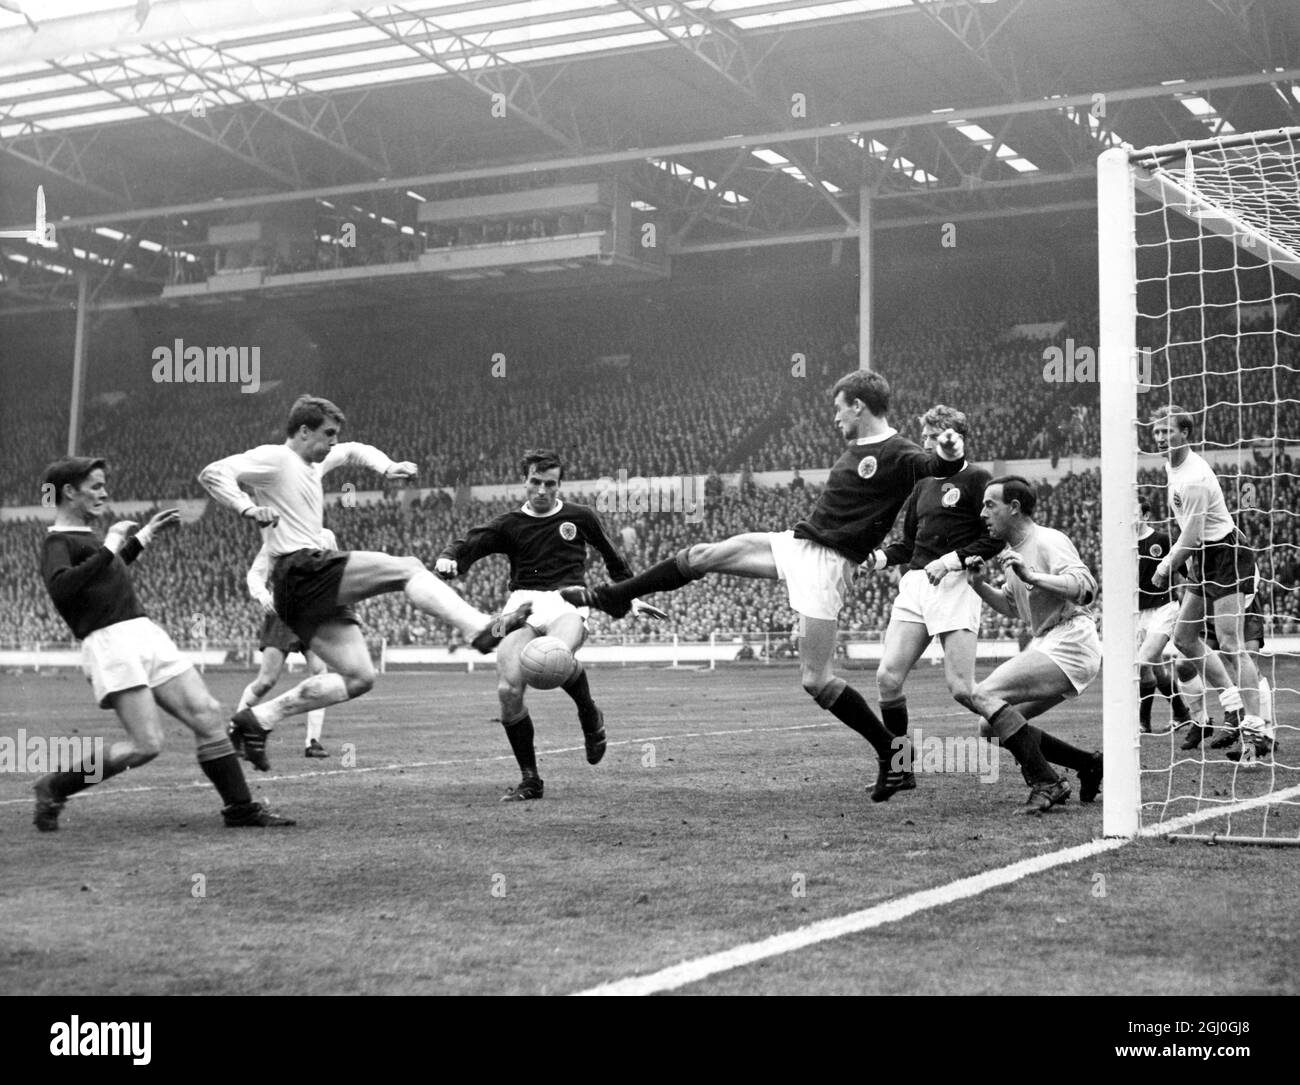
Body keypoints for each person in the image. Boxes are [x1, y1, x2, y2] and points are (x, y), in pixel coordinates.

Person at [563, 369, 968, 800]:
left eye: (838, 409)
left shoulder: (899, 451)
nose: (835, 419)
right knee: (703, 554)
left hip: (827, 565)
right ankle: (612, 596)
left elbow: (937, 467)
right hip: (799, 543)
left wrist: (950, 449)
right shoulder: (857, 448)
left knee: (816, 680)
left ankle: (891, 755)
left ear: (858, 406)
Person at [198, 395, 533, 772]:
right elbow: (213, 473)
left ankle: (257, 720)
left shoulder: (313, 462)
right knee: (406, 567)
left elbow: (354, 451)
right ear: (304, 431)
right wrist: (247, 507)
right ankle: (479, 630)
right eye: (329, 434)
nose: (334, 443)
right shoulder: (276, 459)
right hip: (300, 567)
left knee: (359, 677)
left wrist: (387, 467)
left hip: (300, 587)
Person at [33, 456, 293, 831]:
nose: (104, 492)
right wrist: (109, 545)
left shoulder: (87, 539)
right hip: (110, 642)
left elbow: (105, 575)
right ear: (70, 492)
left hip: (142, 632)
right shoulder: (57, 542)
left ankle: (241, 809)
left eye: (104, 485)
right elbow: (61, 588)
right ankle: (56, 786)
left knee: (206, 712)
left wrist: (141, 539)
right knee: (146, 745)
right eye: (95, 486)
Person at [436, 449, 662, 801]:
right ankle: (530, 780)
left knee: (554, 655)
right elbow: (472, 541)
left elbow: (612, 558)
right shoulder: (508, 524)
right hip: (522, 605)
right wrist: (450, 558)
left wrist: (631, 598)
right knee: (508, 692)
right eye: (536, 483)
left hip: (567, 599)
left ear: (560, 484)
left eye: (550, 484)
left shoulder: (580, 516)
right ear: (524, 482)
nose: (542, 491)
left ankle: (589, 713)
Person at [861, 405, 1003, 799]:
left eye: (929, 436)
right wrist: (876, 559)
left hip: (955, 583)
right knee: (887, 677)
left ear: (950, 436)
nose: (923, 443)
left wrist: (952, 559)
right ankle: (901, 769)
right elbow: (907, 543)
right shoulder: (922, 484)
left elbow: (995, 537)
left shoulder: (978, 480)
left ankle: (1042, 760)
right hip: (917, 584)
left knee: (962, 689)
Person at [963, 477, 1102, 814]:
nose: (983, 513)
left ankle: (1047, 782)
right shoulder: (1011, 554)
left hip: (1071, 638)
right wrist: (980, 585)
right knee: (990, 726)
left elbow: (1086, 588)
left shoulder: (1047, 540)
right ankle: (1089, 764)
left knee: (983, 694)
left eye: (989, 504)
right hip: (1050, 640)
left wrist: (1033, 577)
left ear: (1014, 507)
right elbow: (1012, 606)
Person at [1150, 405, 1271, 763]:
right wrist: (1185, 563)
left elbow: (1191, 535)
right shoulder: (1170, 466)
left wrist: (1167, 565)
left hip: (1225, 554)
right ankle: (1232, 700)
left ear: (1185, 433)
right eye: (1156, 433)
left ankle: (1256, 730)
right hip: (1202, 557)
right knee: (1184, 638)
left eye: (1167, 432)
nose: (1160, 438)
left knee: (1232, 642)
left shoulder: (1195, 477)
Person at [238, 527, 339, 758]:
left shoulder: (325, 536)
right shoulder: (278, 538)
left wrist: (345, 608)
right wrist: (263, 596)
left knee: (320, 673)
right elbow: (255, 574)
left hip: (313, 613)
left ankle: (313, 742)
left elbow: (335, 575)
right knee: (266, 680)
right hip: (282, 612)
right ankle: (238, 730)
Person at [1134, 497, 1196, 735]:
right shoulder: (1123, 545)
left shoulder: (1161, 540)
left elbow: (1189, 573)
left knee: (1142, 662)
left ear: (1146, 516)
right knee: (1156, 668)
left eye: (1135, 512)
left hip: (1163, 608)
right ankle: (1182, 713)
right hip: (1136, 613)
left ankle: (1142, 722)